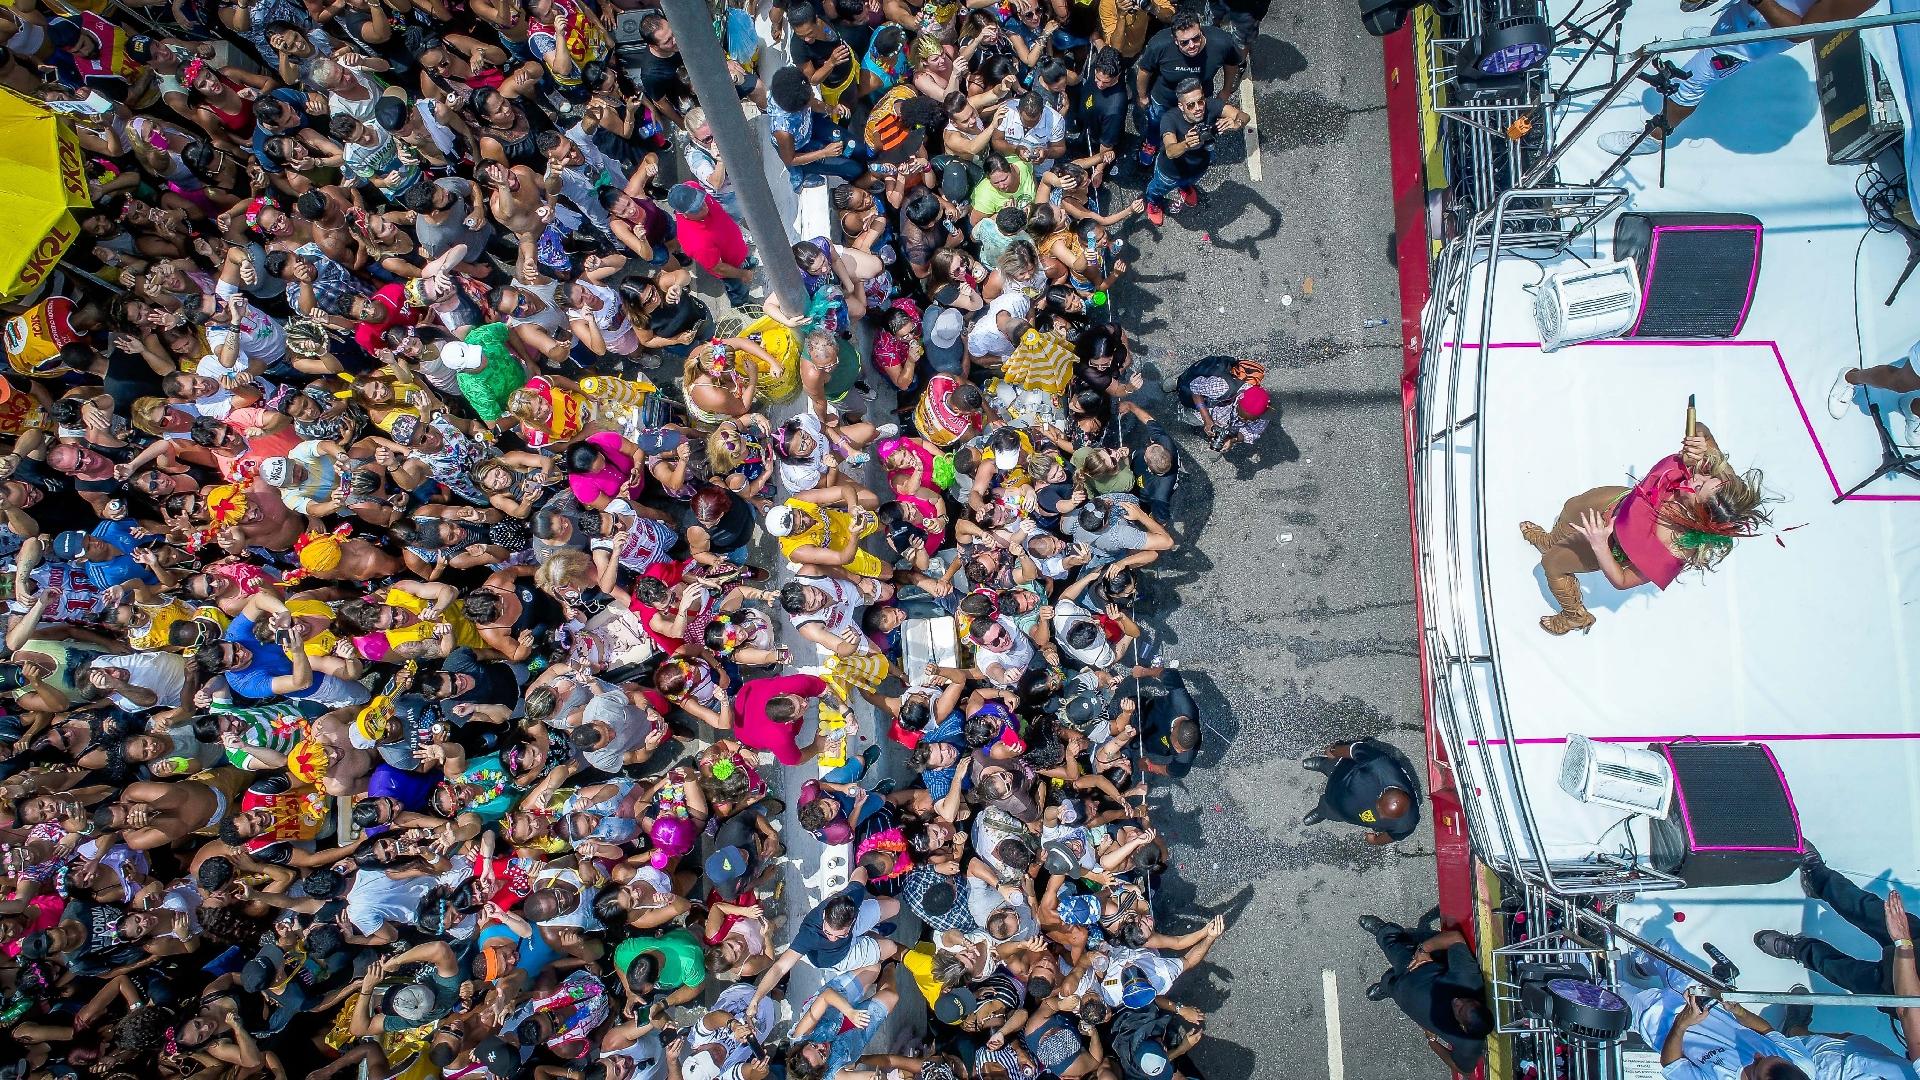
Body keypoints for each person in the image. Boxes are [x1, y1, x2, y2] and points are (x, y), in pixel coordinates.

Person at [1520, 417, 1775, 634]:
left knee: (1552, 563)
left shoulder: (1674, 547)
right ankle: (1551, 541)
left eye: (1698, 487)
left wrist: (1599, 545)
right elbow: (1701, 428)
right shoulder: (1720, 483)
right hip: (1618, 501)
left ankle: (1575, 615)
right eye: (1708, 477)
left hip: (1608, 539)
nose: (1698, 475)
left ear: (1700, 515)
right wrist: (1697, 440)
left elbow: (1622, 580)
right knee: (1572, 506)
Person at [1357, 912, 1492, 1074]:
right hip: (1413, 965)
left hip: (1402, 995)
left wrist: (1433, 1042)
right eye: (1467, 1001)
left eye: (1460, 1009)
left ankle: (1385, 988)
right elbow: (1455, 938)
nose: (1458, 1000)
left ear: (1463, 1027)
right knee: (1392, 944)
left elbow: (1463, 1070)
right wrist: (1423, 949)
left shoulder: (1468, 1044)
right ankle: (1382, 930)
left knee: (1388, 983)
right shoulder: (1468, 981)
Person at [1142, 78, 1246, 226]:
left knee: (1188, 182)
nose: (1198, 108)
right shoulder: (1170, 119)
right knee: (1156, 189)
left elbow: (1243, 116)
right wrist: (1185, 144)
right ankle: (1153, 204)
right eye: (1190, 105)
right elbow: (1170, 151)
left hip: (1199, 167)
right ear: (1181, 106)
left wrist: (1236, 124)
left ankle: (1185, 188)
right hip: (1170, 172)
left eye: (1200, 101)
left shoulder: (1211, 106)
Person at [1301, 738, 1420, 844]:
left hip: (1340, 811)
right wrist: (1333, 751)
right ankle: (1324, 764)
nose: (1380, 817)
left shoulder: (1408, 822)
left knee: (1331, 810)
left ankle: (1323, 811)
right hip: (1342, 772)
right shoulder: (1379, 764)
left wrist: (1375, 841)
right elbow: (1354, 750)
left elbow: (1393, 835)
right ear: (1382, 794)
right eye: (1380, 810)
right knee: (1333, 765)